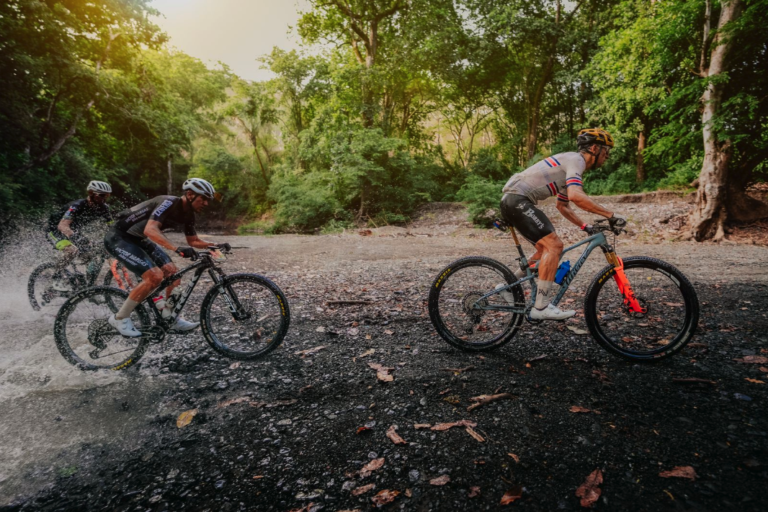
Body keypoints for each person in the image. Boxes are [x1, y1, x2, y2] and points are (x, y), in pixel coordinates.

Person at [500, 128, 626, 321]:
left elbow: (563, 205)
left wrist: (585, 226)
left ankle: (507, 286)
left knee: (545, 251)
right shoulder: (576, 161)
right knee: (555, 246)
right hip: (517, 200)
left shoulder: (571, 166)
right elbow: (577, 196)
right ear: (594, 148)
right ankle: (541, 308)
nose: (607, 156)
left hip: (514, 200)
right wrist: (610, 215)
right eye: (606, 151)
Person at [104, 178, 230, 337]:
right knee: (155, 276)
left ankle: (170, 317)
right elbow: (151, 230)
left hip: (138, 239)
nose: (206, 203)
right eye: (203, 199)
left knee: (173, 273)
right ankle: (120, 317)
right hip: (118, 238)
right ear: (190, 194)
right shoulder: (168, 202)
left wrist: (215, 245)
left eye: (208, 200)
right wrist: (177, 249)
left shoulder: (189, 214)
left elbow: (193, 241)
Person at [46, 181, 113, 287]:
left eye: (107, 196)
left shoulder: (103, 208)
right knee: (72, 251)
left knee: (92, 254)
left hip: (73, 232)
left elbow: (112, 227)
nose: (104, 198)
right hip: (56, 231)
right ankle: (56, 275)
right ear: (91, 193)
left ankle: (87, 286)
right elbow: (62, 225)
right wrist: (75, 237)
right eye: (101, 195)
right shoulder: (77, 205)